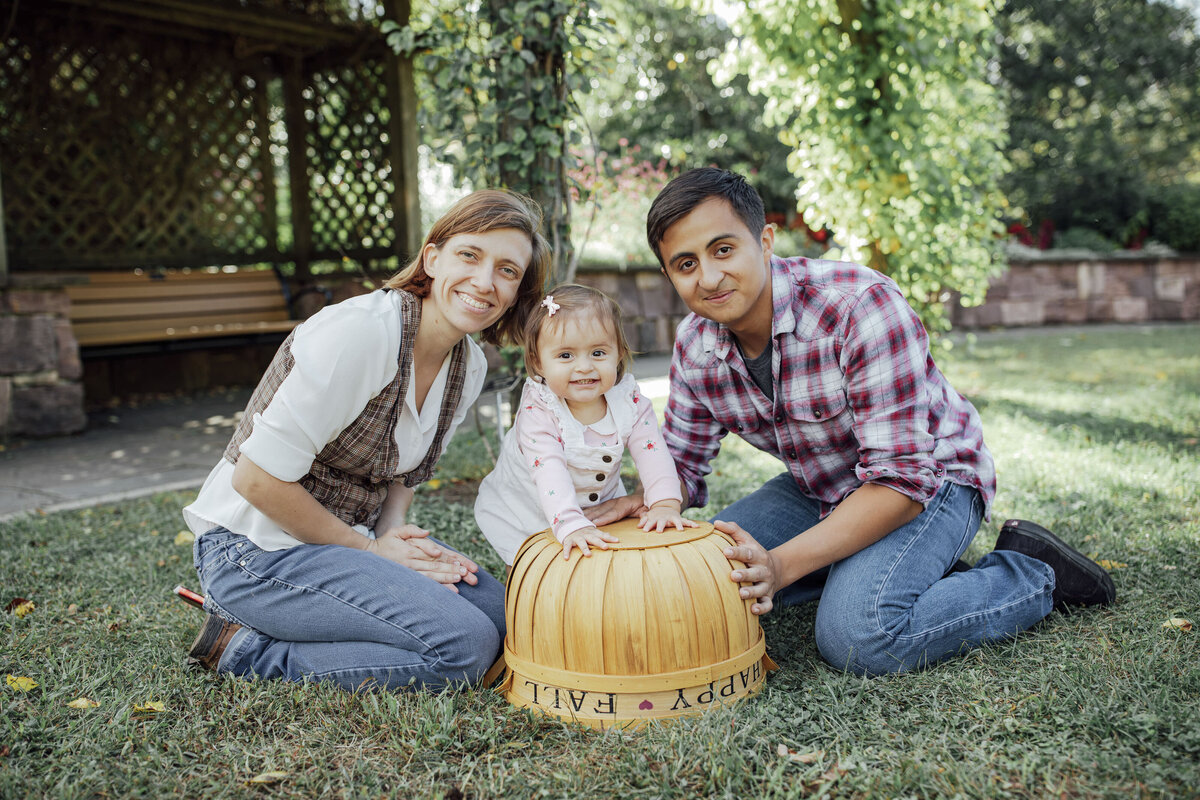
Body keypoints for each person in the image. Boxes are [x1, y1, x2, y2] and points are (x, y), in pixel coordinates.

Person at [592, 167, 1115, 676]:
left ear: (765, 241)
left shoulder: (858, 305)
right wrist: (647, 498)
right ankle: (885, 570)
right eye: (685, 264)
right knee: (709, 579)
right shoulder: (695, 345)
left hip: (934, 482)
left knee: (859, 636)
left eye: (723, 249)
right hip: (820, 488)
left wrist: (782, 566)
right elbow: (681, 462)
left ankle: (1032, 572)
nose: (708, 276)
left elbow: (902, 482)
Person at [180, 190, 551, 691]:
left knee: (506, 622)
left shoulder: (469, 365)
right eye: (470, 255)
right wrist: (370, 550)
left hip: (345, 546)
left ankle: (335, 627)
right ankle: (247, 647)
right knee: (463, 649)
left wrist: (391, 534)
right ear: (432, 258)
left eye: (508, 270)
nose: (484, 282)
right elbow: (255, 479)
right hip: (252, 550)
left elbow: (405, 474)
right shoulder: (363, 333)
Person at [474, 284, 695, 564]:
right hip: (528, 504)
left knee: (603, 561)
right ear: (538, 362)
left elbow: (654, 453)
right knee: (533, 567)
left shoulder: (629, 402)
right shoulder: (539, 409)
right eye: (566, 356)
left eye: (598, 353)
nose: (584, 367)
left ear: (619, 354)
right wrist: (570, 523)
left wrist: (665, 503)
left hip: (599, 500)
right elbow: (549, 470)